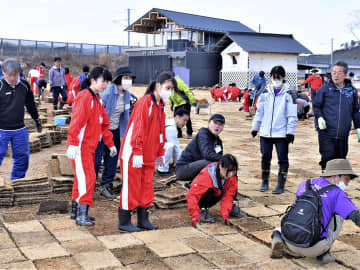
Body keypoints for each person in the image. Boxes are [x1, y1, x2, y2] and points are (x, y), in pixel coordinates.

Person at [271, 159, 360, 265]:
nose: (347, 183)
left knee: (297, 215)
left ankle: (278, 236)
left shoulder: (305, 184)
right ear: (336, 176)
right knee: (340, 214)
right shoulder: (338, 193)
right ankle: (323, 254)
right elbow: (357, 217)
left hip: (289, 240)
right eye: (347, 179)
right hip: (314, 248)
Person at [117, 71, 174, 232]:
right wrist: (136, 151)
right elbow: (138, 128)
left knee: (146, 187)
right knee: (131, 187)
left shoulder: (159, 106)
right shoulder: (145, 103)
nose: (169, 91)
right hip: (134, 154)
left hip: (148, 155)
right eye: (167, 87)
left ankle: (143, 219)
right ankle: (124, 221)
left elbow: (160, 132)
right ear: (157, 86)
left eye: (171, 89)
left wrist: (160, 153)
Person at [66, 67, 116, 226]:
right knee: (88, 178)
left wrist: (110, 144)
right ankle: (82, 214)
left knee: (81, 179)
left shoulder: (97, 99)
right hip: (80, 146)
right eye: (103, 81)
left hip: (90, 147)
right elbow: (77, 121)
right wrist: (73, 142)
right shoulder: (85, 97)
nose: (105, 84)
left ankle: (76, 211)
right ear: (93, 80)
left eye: (108, 81)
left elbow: (103, 125)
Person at [251, 66, 298, 194]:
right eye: (274, 77)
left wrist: (290, 132)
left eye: (279, 77)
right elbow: (259, 112)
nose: (276, 80)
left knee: (282, 159)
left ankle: (280, 184)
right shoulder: (265, 93)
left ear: (283, 78)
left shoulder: (289, 94)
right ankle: (264, 181)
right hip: (265, 132)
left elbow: (292, 115)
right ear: (270, 77)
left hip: (281, 134)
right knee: (265, 157)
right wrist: (255, 127)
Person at [94, 66, 136, 199]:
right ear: (119, 79)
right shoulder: (107, 93)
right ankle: (88, 186)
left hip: (115, 131)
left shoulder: (128, 95)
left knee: (112, 158)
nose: (128, 81)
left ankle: (106, 185)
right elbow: (98, 112)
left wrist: (126, 134)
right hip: (100, 131)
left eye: (130, 78)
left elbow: (125, 116)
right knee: (96, 159)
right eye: (125, 78)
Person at [313, 61, 360, 171]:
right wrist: (319, 117)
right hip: (326, 132)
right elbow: (316, 106)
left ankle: (337, 187)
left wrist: (358, 127)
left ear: (345, 75)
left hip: (343, 133)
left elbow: (355, 111)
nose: (336, 75)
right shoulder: (325, 89)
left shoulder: (351, 91)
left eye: (339, 73)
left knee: (341, 161)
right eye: (334, 72)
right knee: (327, 160)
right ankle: (326, 185)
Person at [0, 58, 42, 180]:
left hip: (19, 129)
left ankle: (17, 182)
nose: (12, 78)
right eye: (9, 75)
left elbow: (30, 105)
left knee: (22, 158)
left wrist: (37, 120)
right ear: (3, 73)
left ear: (19, 73)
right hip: (1, 129)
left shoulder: (24, 86)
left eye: (15, 75)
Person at [186, 154, 239, 227]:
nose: (230, 174)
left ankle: (231, 208)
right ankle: (202, 209)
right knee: (208, 190)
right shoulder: (206, 176)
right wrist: (195, 214)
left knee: (229, 188)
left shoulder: (232, 177)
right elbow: (192, 196)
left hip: (216, 194)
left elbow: (228, 196)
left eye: (233, 171)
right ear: (220, 166)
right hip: (201, 196)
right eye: (228, 171)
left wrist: (225, 214)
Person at [176, 114, 225, 183]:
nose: (217, 126)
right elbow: (207, 154)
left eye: (220, 124)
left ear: (223, 127)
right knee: (211, 163)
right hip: (183, 169)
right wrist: (226, 159)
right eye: (215, 123)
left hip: (198, 167)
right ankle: (194, 184)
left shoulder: (218, 141)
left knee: (221, 165)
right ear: (209, 123)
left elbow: (219, 159)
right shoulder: (203, 133)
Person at [155, 109, 190, 177]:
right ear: (177, 117)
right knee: (169, 146)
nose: (185, 123)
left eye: (186, 121)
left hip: (151, 151)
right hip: (147, 154)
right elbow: (176, 148)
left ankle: (161, 165)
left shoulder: (169, 123)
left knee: (168, 146)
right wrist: (179, 165)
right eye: (184, 120)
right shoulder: (171, 128)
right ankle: (162, 171)